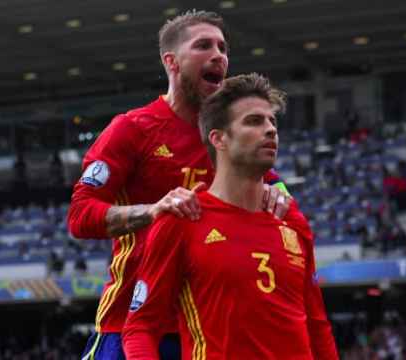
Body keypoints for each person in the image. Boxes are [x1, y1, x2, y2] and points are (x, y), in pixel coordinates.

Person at [68, 11, 291, 360]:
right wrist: (153, 211)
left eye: (222, 47)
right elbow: (80, 215)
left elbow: (276, 188)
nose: (219, 55)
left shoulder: (228, 137)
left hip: (209, 330)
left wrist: (281, 197)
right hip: (131, 324)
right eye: (203, 45)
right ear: (171, 61)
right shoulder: (132, 129)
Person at [122, 73, 338, 359]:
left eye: (272, 121)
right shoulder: (182, 219)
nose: (271, 130)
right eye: (254, 121)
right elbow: (140, 328)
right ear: (219, 139)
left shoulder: (292, 220)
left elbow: (317, 326)